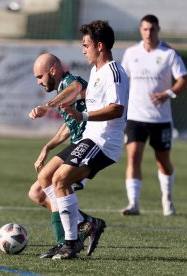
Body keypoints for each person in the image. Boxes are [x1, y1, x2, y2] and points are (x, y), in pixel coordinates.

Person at [36, 20, 129, 260]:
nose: (83, 50)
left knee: (61, 178)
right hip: (89, 138)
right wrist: (53, 107)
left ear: (100, 46)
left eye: (86, 45)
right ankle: (83, 227)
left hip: (103, 143)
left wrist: (83, 115)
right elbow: (79, 91)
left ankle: (70, 242)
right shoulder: (96, 71)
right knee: (46, 177)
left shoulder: (114, 72)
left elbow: (116, 109)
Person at [28, 53, 105, 259]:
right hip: (76, 142)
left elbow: (77, 88)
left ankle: (69, 239)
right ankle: (83, 226)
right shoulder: (62, 89)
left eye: (40, 76)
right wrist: (47, 147)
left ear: (53, 70)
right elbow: (68, 127)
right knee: (37, 192)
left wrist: (49, 106)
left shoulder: (70, 82)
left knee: (50, 181)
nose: (39, 82)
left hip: (88, 144)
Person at [120, 14, 187, 216]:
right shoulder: (131, 53)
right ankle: (133, 203)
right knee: (133, 157)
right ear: (141, 30)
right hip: (135, 117)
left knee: (163, 160)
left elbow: (184, 80)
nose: (149, 32)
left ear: (158, 30)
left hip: (160, 119)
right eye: (145, 29)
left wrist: (168, 93)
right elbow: (122, 80)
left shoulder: (169, 54)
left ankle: (167, 199)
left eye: (152, 29)